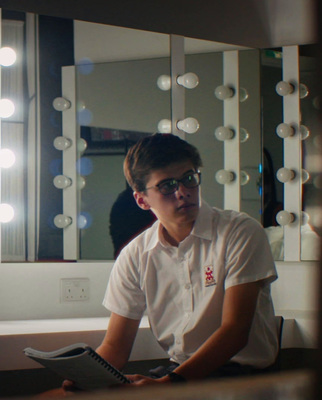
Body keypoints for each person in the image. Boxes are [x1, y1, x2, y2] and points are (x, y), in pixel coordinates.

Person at [96, 133, 278, 386]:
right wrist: (87, 380)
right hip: (178, 372)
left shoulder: (239, 231)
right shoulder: (136, 255)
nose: (182, 192)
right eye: (167, 185)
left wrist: (169, 384)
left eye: (189, 179)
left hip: (241, 377)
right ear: (141, 199)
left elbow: (235, 331)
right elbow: (115, 347)